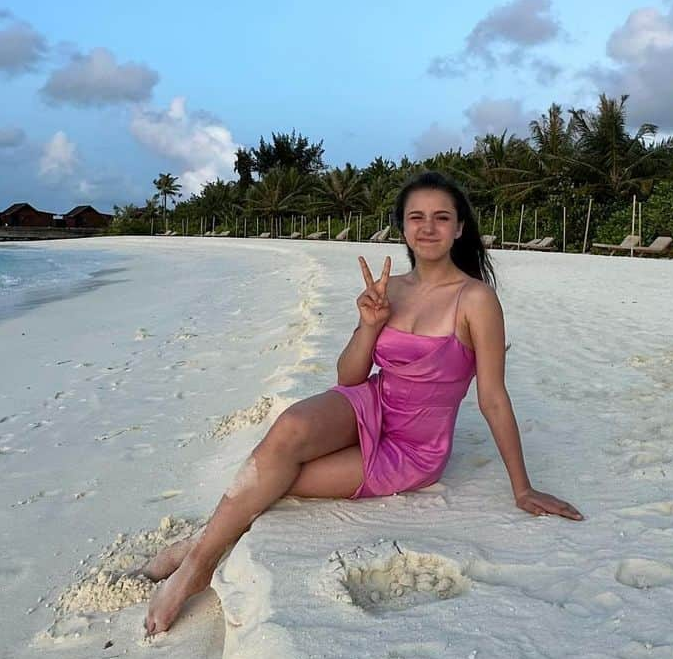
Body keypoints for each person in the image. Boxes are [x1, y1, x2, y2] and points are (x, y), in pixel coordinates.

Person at [143, 169, 583, 635]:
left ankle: (195, 552)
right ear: (403, 227)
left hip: (414, 446)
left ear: (459, 228)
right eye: (416, 217)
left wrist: (522, 487)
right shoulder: (389, 288)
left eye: (441, 217)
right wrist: (370, 323)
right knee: (288, 428)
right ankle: (196, 568)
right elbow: (348, 377)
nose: (428, 227)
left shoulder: (476, 299)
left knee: (284, 475)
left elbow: (492, 397)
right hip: (372, 402)